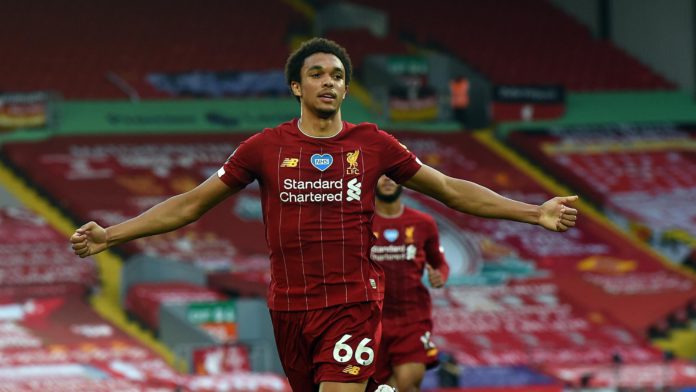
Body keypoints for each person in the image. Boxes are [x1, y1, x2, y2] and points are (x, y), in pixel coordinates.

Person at [70, 38, 579, 392]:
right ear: (297, 86)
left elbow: (449, 189)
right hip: (289, 307)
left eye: (337, 76)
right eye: (316, 74)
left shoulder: (374, 144)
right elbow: (190, 203)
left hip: (352, 302)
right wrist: (113, 235)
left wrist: (533, 213)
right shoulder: (264, 148)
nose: (328, 83)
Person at [371, 175, 449, 391]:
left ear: (404, 180)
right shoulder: (359, 223)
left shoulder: (423, 223)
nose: (388, 180)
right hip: (370, 321)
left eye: (394, 175)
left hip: (412, 319)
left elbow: (440, 264)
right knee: (378, 386)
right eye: (382, 175)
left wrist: (440, 276)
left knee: (408, 384)